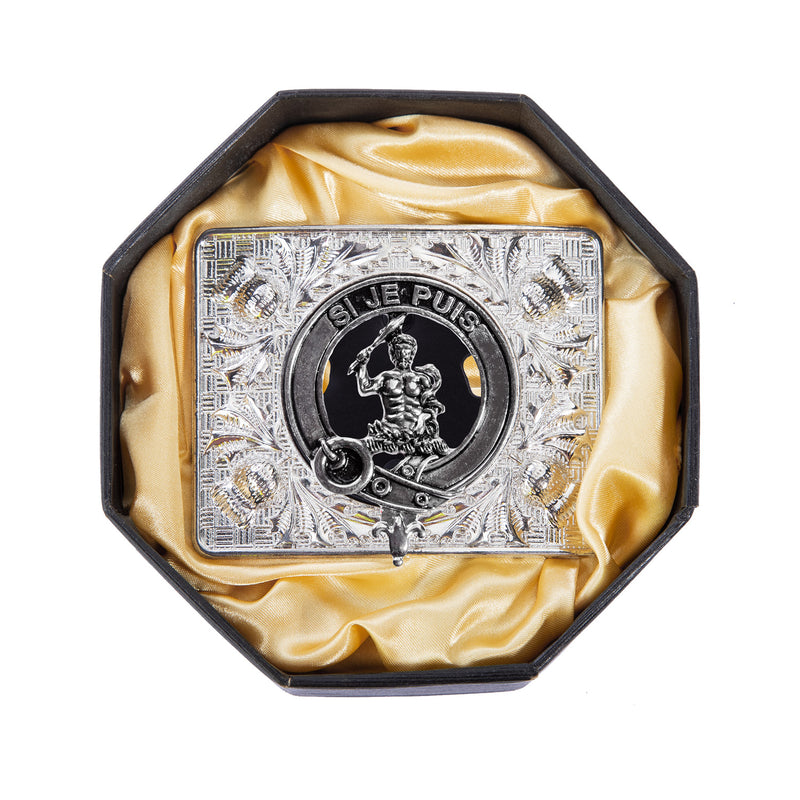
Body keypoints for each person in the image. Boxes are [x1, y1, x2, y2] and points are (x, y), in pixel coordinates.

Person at [352, 328, 450, 467]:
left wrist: (423, 418)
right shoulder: (385, 377)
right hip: (388, 432)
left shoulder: (420, 379)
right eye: (399, 352)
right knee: (360, 453)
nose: (403, 356)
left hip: (418, 434)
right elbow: (365, 388)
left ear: (412, 354)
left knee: (442, 453)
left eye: (407, 352)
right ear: (393, 354)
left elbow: (433, 405)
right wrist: (362, 365)